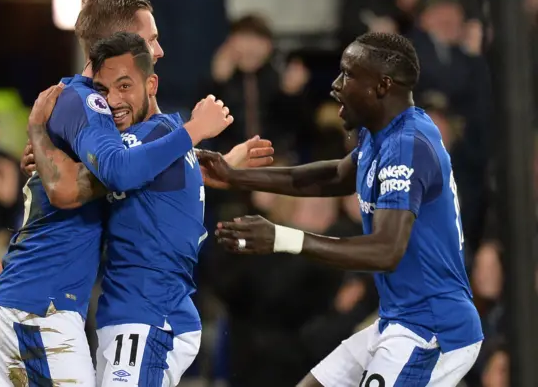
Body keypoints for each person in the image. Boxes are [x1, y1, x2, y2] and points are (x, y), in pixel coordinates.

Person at [0, 0, 270, 386]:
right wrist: (192, 133)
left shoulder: (108, 117)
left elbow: (134, 169)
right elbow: (85, 184)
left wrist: (199, 161)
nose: (160, 49)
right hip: (38, 305)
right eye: (150, 39)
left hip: (57, 306)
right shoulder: (86, 103)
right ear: (118, 45)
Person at [199, 32, 483, 387]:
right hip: (400, 319)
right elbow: (335, 174)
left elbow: (385, 250)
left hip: (433, 328)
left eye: (348, 74)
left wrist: (281, 237)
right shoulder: (382, 134)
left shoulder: (407, 146)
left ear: (382, 86)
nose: (335, 85)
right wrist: (236, 177)